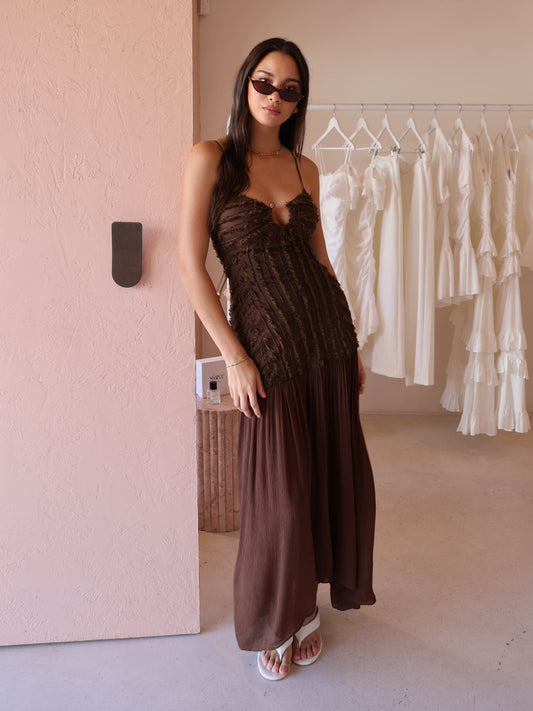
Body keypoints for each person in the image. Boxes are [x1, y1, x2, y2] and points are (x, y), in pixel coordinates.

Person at [178, 37, 376, 681]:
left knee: (323, 481)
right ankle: (275, 615)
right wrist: (233, 357)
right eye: (265, 82)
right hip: (265, 352)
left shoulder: (304, 167)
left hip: (326, 339)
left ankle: (306, 608)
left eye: (289, 89)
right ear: (246, 83)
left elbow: (323, 262)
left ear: (299, 101)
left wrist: (352, 344)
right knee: (278, 500)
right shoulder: (211, 158)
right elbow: (190, 265)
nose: (274, 96)